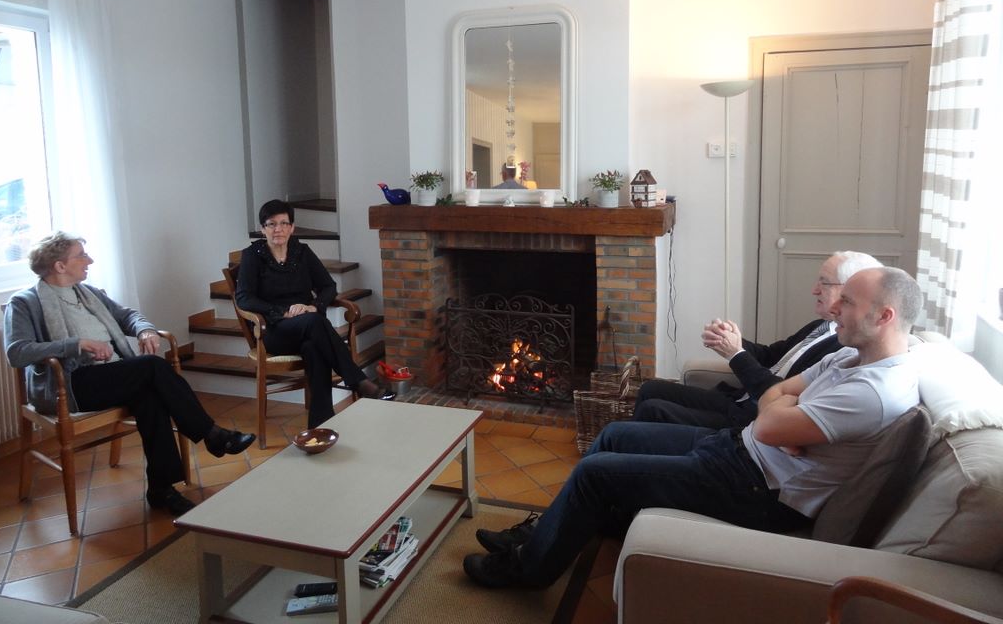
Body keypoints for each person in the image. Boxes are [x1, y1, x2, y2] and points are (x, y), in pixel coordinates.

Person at [463, 266, 923, 589]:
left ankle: (528, 571)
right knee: (614, 434)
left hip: (759, 490)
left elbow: (770, 419)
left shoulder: (874, 391)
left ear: (884, 316)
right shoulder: (848, 356)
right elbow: (775, 396)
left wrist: (778, 412)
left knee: (593, 472)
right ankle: (545, 535)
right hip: (740, 452)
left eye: (848, 301)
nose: (834, 307)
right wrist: (779, 411)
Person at [4, 232, 255, 516]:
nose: (90, 260)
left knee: (151, 397)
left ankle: (161, 489)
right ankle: (211, 434)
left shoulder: (88, 293)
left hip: (111, 375)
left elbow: (128, 316)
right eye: (81, 255)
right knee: (152, 366)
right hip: (69, 384)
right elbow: (17, 352)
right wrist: (76, 344)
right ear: (60, 266)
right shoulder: (24, 302)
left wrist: (144, 329)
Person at [634, 251, 882, 429]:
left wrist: (736, 354)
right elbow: (770, 356)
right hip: (739, 399)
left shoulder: (843, 346)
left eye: (824, 283)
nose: (814, 290)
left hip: (752, 417)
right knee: (650, 389)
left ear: (850, 290)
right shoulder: (822, 326)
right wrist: (731, 341)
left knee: (653, 409)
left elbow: (782, 394)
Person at [234, 199, 394, 427]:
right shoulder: (253, 256)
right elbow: (244, 298)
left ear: (292, 227)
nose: (278, 229)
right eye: (271, 224)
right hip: (273, 330)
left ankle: (321, 424)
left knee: (314, 346)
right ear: (263, 229)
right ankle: (358, 381)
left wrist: (314, 306)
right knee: (315, 323)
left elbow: (328, 286)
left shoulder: (302, 252)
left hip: (308, 328)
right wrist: (282, 312)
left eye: (283, 223)